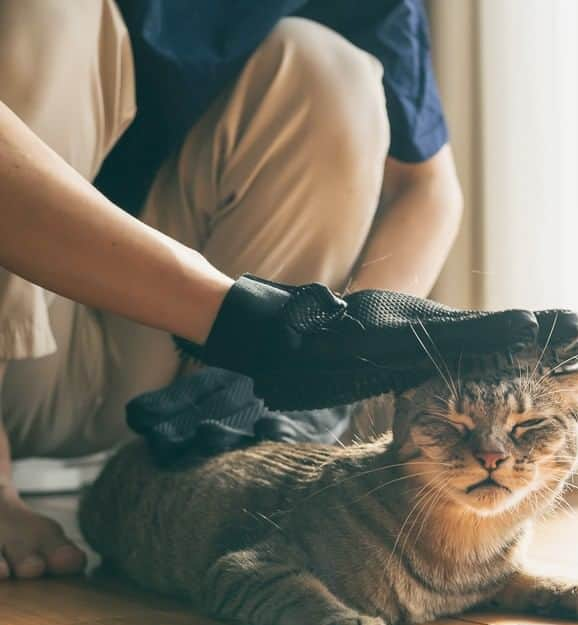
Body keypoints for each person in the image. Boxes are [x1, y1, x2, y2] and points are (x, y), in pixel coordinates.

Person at [0, 1, 503, 580]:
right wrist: (253, 323)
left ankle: (216, 454)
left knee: (322, 68)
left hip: (142, 368)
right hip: (29, 330)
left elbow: (430, 187)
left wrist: (343, 345)